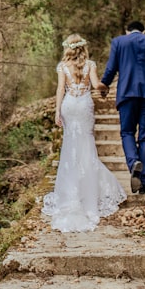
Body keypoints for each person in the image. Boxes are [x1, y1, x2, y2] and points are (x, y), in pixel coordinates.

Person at [42, 34, 127, 232]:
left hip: (70, 106)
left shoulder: (63, 67)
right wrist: (105, 89)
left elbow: (61, 89)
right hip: (85, 106)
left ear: (68, 48)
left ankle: (71, 194)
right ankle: (88, 196)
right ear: (83, 48)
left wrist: (57, 111)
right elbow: (97, 85)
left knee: (70, 148)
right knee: (87, 147)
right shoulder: (90, 65)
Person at [98, 20, 145, 194]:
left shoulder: (118, 42)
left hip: (127, 95)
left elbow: (111, 68)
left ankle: (133, 163)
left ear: (127, 31)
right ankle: (144, 183)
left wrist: (104, 86)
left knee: (127, 132)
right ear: (143, 31)